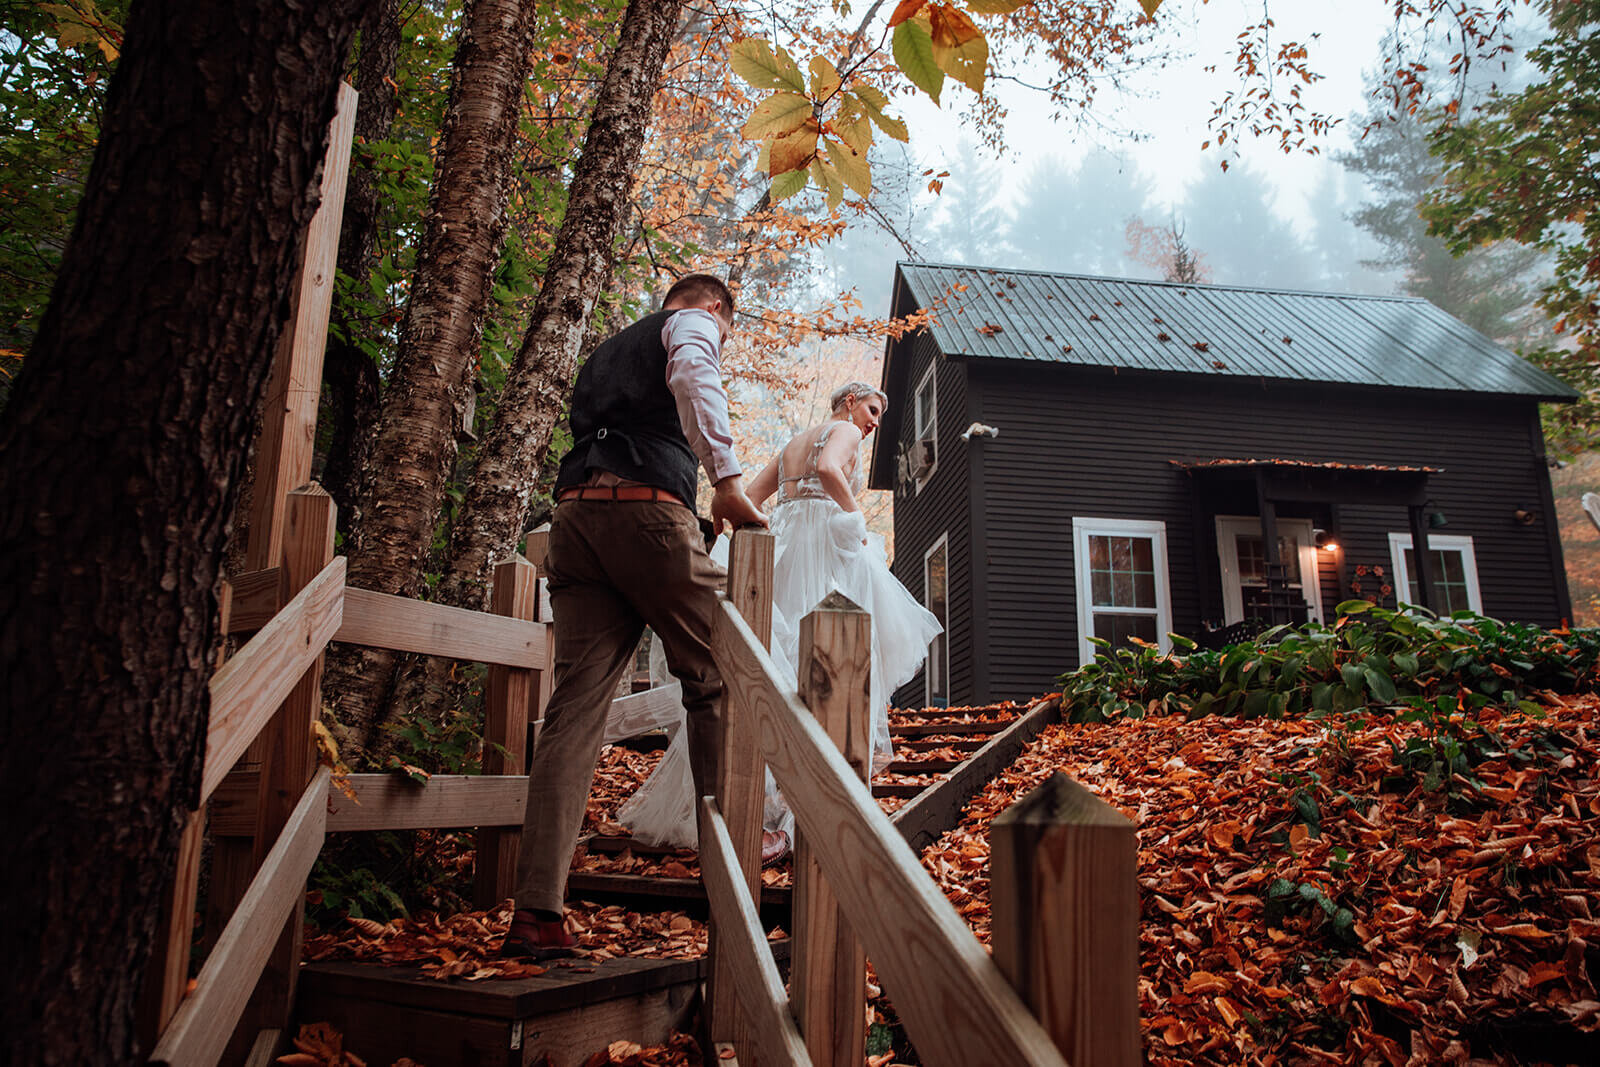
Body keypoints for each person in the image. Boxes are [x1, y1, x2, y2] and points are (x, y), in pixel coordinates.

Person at [500, 274, 767, 961]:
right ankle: (728, 890)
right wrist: (728, 482)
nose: (720, 342)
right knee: (723, 674)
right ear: (713, 308)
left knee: (575, 709)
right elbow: (692, 374)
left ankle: (537, 911)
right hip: (646, 513)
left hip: (575, 520)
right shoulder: (692, 324)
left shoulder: (605, 355)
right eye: (724, 331)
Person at [615, 381, 944, 853]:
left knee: (779, 667)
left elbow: (748, 497)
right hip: (826, 549)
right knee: (827, 670)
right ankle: (796, 818)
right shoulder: (843, 430)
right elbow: (830, 469)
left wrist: (771, 533)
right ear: (850, 402)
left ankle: (762, 811)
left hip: (787, 553)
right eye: (872, 409)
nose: (872, 423)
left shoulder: (793, 443)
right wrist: (858, 525)